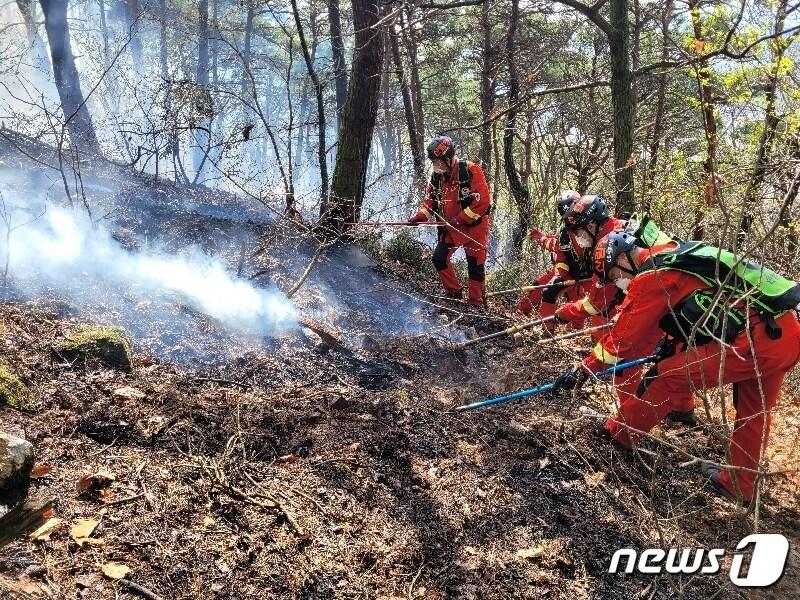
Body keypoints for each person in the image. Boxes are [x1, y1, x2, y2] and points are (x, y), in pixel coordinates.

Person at [553, 231, 800, 503]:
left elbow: (620, 341)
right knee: (754, 410)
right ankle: (739, 485)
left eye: (614, 275)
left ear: (624, 258)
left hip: (753, 339)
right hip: (786, 333)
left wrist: (583, 370)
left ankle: (620, 434)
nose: (617, 282)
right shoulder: (673, 254)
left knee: (665, 376)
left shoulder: (651, 276)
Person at [408, 136, 492, 306]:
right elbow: (430, 201)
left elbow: (483, 202)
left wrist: (460, 219)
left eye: (436, 161)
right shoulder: (437, 177)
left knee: (475, 267)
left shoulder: (470, 170)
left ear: (447, 158)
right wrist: (421, 216)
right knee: (439, 258)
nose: (434, 165)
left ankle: (475, 303)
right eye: (433, 161)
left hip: (474, 228)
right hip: (450, 228)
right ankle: (454, 292)